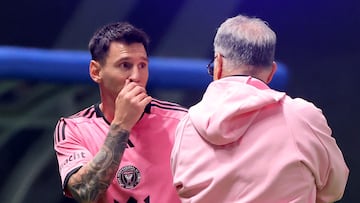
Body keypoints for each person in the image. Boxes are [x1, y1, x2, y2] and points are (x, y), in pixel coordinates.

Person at [170, 14, 349, 203]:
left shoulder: (186, 126)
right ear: (272, 72)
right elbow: (334, 189)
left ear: (219, 64)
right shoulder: (302, 117)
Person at [53, 22, 187, 203]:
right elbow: (85, 192)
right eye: (125, 65)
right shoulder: (73, 128)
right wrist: (122, 124)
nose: (137, 76)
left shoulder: (182, 122)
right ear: (96, 71)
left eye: (142, 65)